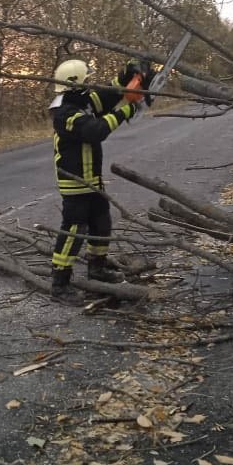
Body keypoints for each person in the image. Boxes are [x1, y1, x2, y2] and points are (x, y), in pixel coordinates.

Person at [48, 57, 152, 304]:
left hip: (92, 180)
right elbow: (95, 130)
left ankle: (97, 267)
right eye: (86, 80)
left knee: (101, 222)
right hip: (75, 182)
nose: (90, 85)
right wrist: (127, 110)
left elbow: (105, 96)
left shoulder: (81, 102)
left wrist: (128, 74)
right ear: (75, 84)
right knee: (74, 230)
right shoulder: (64, 113)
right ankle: (59, 284)